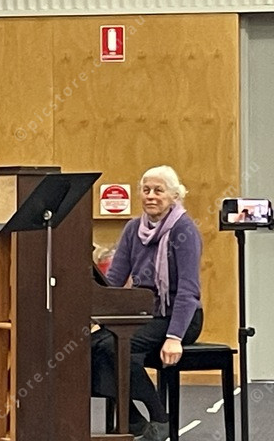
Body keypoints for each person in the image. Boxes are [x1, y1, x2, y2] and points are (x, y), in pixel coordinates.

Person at [91, 165, 203, 441]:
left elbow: (188, 290)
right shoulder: (133, 228)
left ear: (174, 196)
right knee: (90, 347)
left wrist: (174, 337)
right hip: (142, 313)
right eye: (146, 190)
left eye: (158, 190)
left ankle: (159, 418)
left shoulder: (184, 230)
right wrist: (95, 312)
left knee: (113, 346)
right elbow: (114, 280)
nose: (151, 196)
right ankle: (134, 419)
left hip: (178, 317)